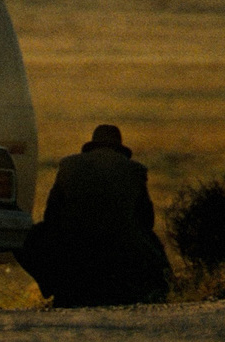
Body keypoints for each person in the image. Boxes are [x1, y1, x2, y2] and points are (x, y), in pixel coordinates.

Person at [15, 124, 172, 307]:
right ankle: (145, 294)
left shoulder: (68, 166)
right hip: (121, 250)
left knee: (25, 237)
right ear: (119, 148)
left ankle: (54, 285)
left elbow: (51, 215)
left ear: (92, 146)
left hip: (72, 249)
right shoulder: (135, 170)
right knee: (155, 251)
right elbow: (147, 221)